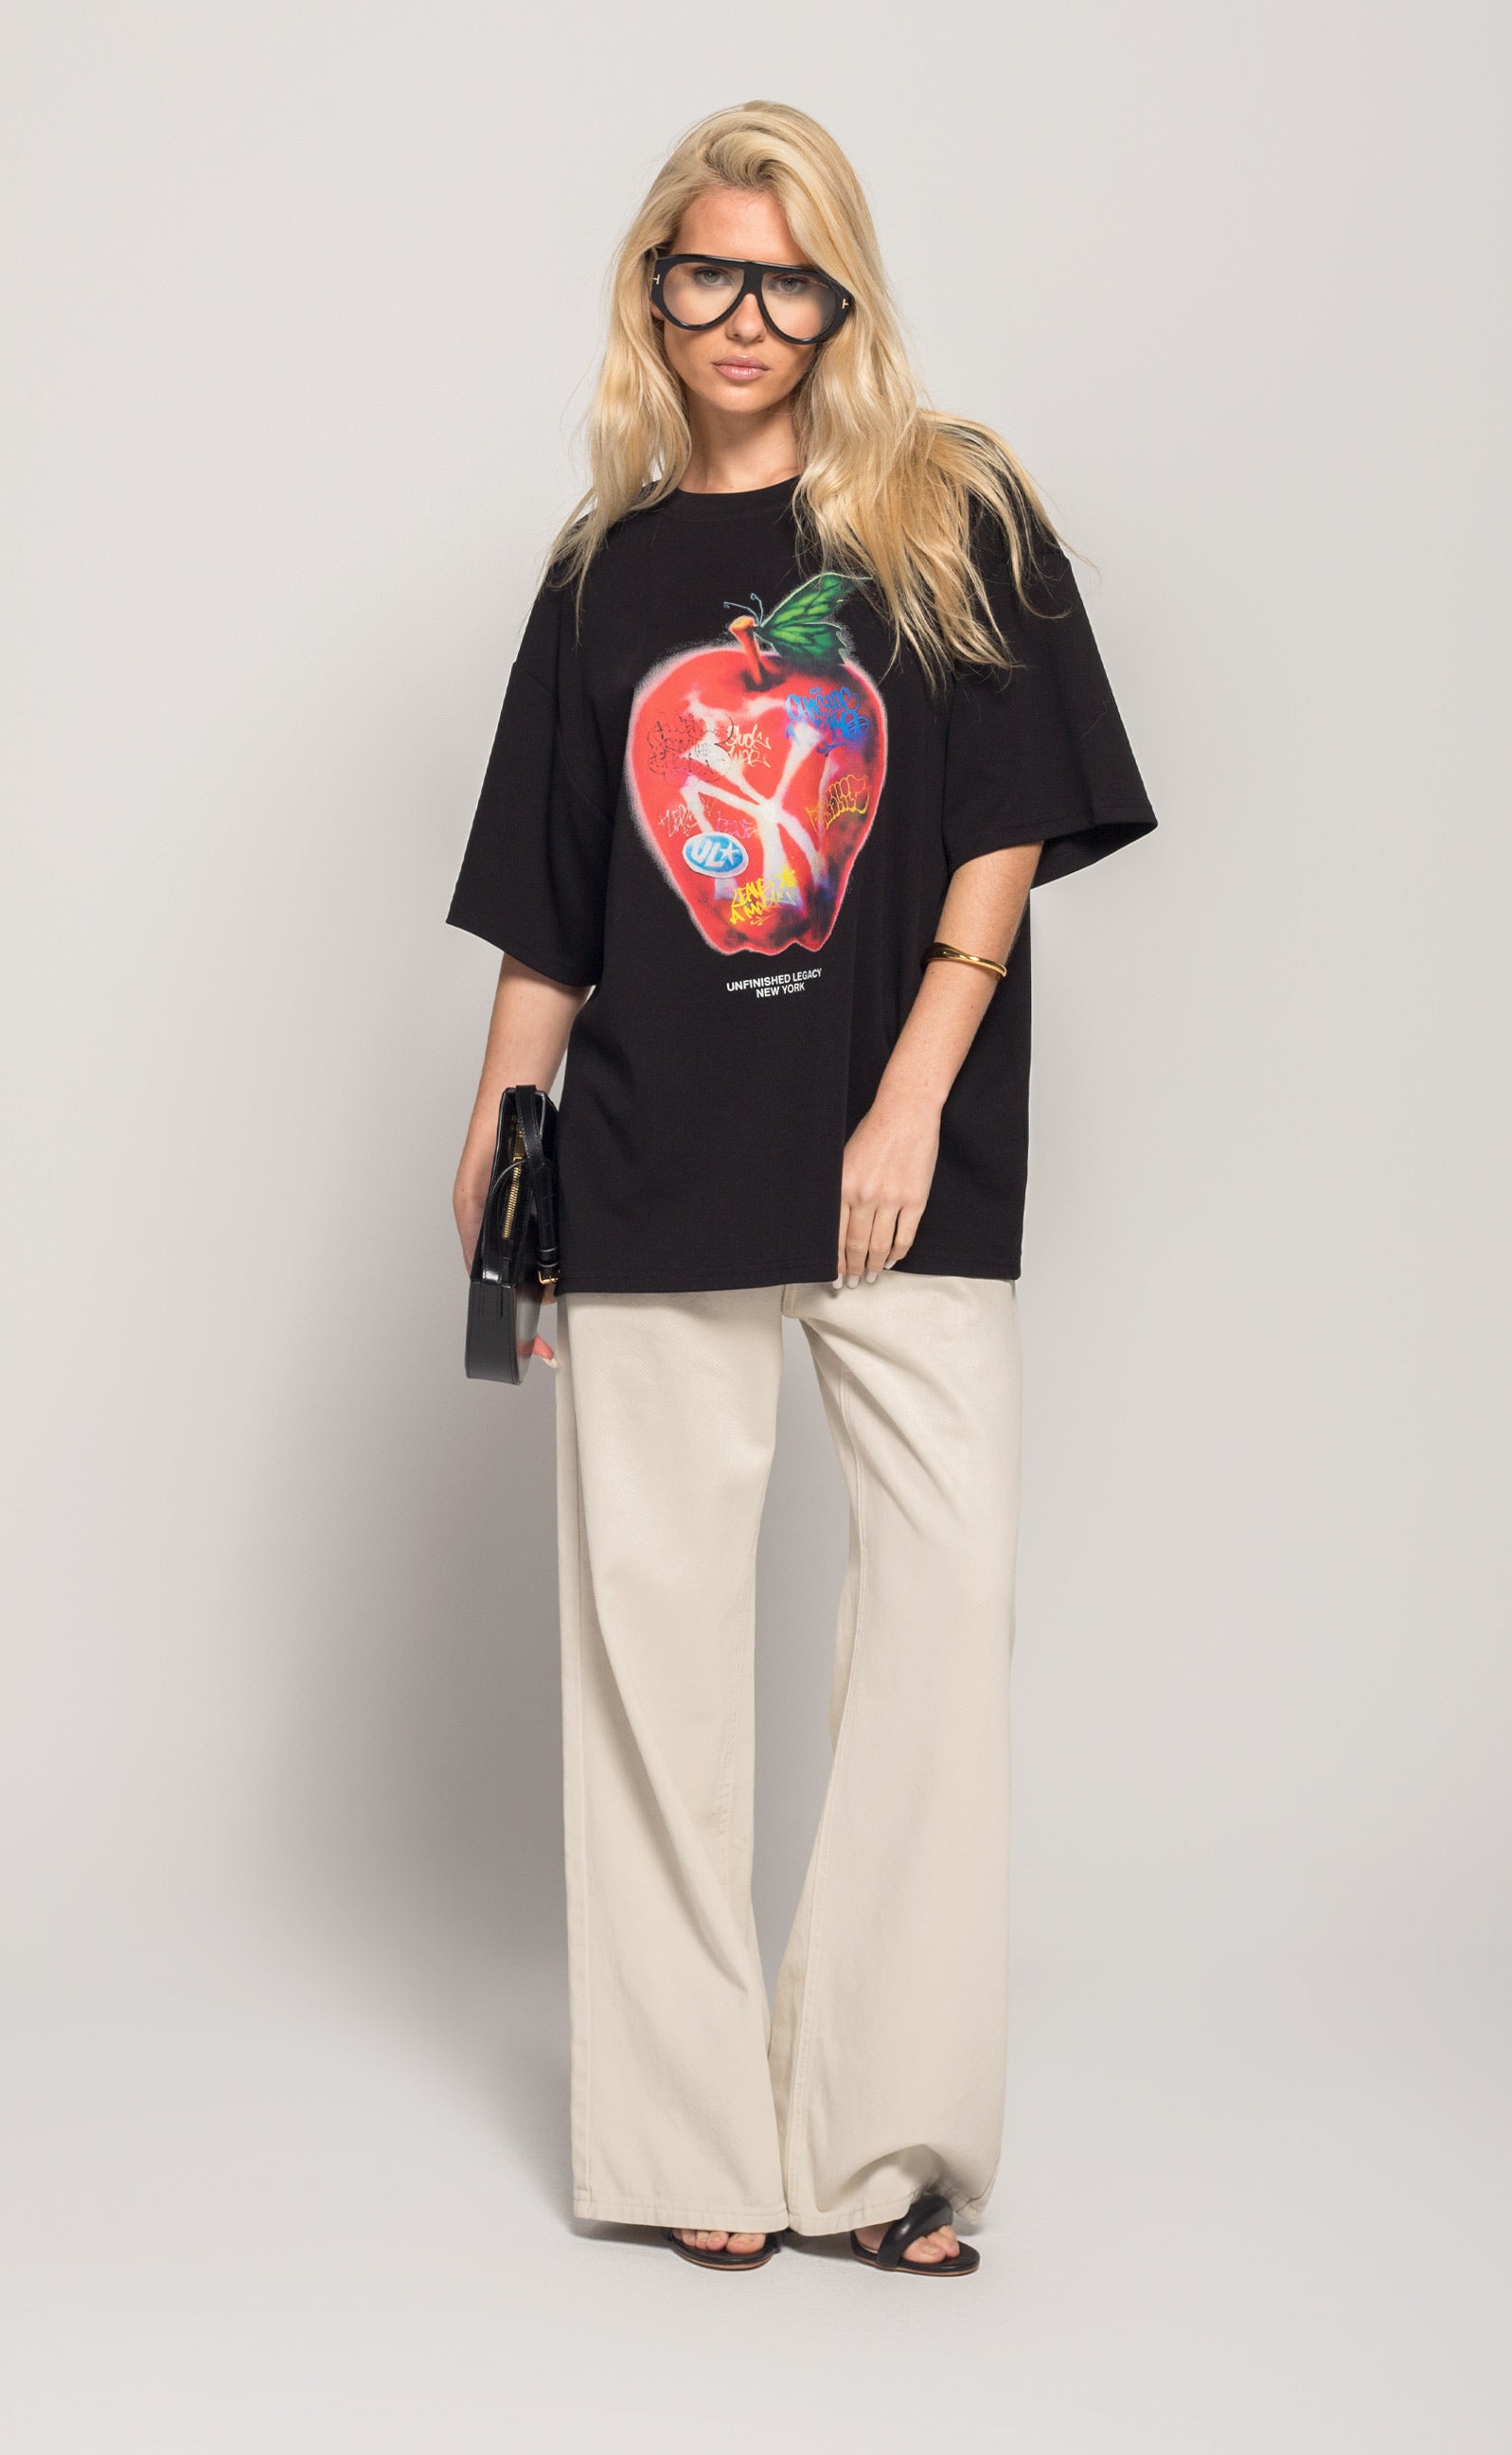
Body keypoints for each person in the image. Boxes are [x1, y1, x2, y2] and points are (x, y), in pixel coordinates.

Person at [446, 100, 1155, 2275]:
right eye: (707, 272)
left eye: (786, 277)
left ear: (837, 297)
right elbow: (553, 906)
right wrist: (497, 1126)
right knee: (652, 1653)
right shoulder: (599, 577)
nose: (744, 316)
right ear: (652, 291)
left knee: (943, 1615)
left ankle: (881, 2144)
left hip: (895, 1153)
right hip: (651, 1149)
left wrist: (912, 1090)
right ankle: (687, 2148)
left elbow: (1002, 828)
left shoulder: (950, 508)